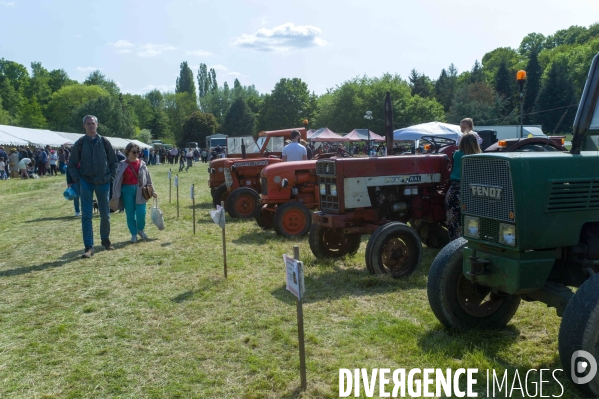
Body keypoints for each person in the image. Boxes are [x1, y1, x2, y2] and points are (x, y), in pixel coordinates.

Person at [67, 115, 119, 258]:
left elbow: (114, 162)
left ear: (97, 125)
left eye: (93, 123)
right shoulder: (80, 143)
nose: (91, 126)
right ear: (84, 126)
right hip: (86, 182)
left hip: (103, 182)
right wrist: (79, 179)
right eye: (88, 124)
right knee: (87, 216)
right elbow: (71, 164)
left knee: (105, 215)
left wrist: (111, 177)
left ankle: (105, 240)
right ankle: (89, 247)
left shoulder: (105, 142)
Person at [112, 143, 157, 243]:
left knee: (142, 212)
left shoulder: (142, 163)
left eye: (138, 151)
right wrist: (115, 194)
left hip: (140, 190)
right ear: (128, 152)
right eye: (134, 152)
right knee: (130, 214)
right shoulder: (122, 164)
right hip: (126, 191)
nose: (137, 154)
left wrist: (153, 191)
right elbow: (117, 180)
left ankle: (140, 229)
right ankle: (133, 234)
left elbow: (148, 178)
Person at [445, 134, 481, 241]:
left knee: (454, 223)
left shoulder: (456, 154)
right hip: (470, 191)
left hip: (454, 191)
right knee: (471, 221)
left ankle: (455, 247)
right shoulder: (478, 158)